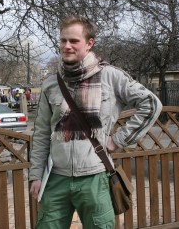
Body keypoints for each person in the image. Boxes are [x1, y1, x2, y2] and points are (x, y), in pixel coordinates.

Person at [29, 16, 162, 228]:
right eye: (63, 41)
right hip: (55, 179)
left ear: (90, 43)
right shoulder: (51, 83)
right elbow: (42, 133)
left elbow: (151, 104)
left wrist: (118, 140)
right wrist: (36, 175)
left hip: (95, 177)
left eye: (74, 41)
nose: (67, 46)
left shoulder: (110, 76)